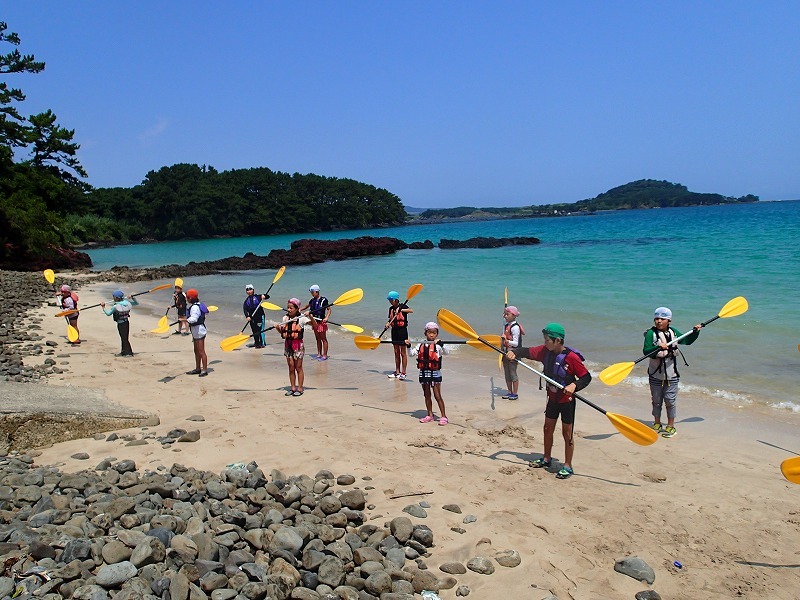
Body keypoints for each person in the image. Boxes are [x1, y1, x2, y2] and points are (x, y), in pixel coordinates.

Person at [507, 322, 592, 480]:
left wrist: (574, 385)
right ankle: (546, 458)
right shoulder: (545, 351)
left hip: (567, 401)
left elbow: (586, 377)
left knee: (567, 434)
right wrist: (514, 352)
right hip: (552, 399)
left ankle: (567, 465)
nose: (545, 342)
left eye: (547, 340)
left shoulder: (571, 358)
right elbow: (526, 351)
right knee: (547, 429)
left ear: (557, 341)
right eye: (545, 339)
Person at [644, 307, 703, 438]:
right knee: (656, 400)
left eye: (662, 319)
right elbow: (646, 351)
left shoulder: (673, 332)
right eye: (656, 318)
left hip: (672, 375)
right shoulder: (650, 334)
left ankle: (671, 426)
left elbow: (687, 341)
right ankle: (657, 423)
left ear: (669, 320)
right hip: (655, 374)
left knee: (670, 401)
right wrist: (658, 347)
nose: (659, 321)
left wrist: (695, 332)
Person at [410, 322, 449, 425]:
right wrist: (409, 346)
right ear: (425, 333)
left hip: (435, 373)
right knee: (427, 395)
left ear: (437, 334)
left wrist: (442, 345)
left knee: (437, 395)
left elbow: (446, 353)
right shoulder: (420, 344)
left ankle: (444, 416)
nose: (431, 335)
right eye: (429, 333)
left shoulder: (437, 346)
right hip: (423, 373)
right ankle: (430, 415)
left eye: (434, 333)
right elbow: (411, 354)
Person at [276, 298, 312, 396]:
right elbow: (283, 333)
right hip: (288, 344)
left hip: (298, 345)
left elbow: (315, 326)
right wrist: (278, 328)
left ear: (297, 309)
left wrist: (311, 316)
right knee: (291, 367)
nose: (289, 309)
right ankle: (292, 388)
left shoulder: (302, 318)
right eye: (288, 307)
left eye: (291, 308)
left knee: (298, 367)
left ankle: (300, 388)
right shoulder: (285, 318)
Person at [101, 290, 138, 356]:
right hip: (126, 322)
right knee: (124, 337)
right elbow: (136, 303)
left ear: (116, 298)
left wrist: (103, 307)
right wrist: (133, 298)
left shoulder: (116, 306)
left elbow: (108, 313)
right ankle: (123, 351)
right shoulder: (126, 303)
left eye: (114, 297)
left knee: (124, 338)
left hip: (121, 324)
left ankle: (129, 353)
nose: (113, 298)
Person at [386, 291, 413, 380]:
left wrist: (401, 310)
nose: (390, 301)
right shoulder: (390, 309)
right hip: (394, 331)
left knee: (402, 352)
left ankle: (403, 372)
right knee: (396, 352)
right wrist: (387, 324)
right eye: (389, 300)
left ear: (395, 299)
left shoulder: (402, 306)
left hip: (402, 331)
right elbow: (389, 319)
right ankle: (397, 371)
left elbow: (411, 310)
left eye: (391, 299)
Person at [500, 306, 524, 400]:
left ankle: (515, 393)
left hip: (514, 354)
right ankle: (509, 392)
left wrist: (506, 341)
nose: (505, 316)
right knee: (507, 374)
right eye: (505, 314)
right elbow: (504, 319)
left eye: (507, 314)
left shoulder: (515, 328)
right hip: (506, 353)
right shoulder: (507, 325)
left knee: (513, 374)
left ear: (514, 316)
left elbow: (516, 343)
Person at [301, 284, 331, 360]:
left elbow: (329, 309)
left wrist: (326, 317)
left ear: (317, 292)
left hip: (321, 322)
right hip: (314, 322)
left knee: (323, 339)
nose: (312, 294)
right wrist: (299, 310)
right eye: (311, 292)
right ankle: (319, 353)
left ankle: (325, 354)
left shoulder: (324, 300)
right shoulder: (312, 300)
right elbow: (306, 306)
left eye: (312, 292)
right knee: (317, 339)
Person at [185, 288, 208, 377]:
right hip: (196, 330)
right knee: (196, 350)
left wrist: (185, 319)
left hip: (199, 330)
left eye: (187, 297)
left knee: (201, 351)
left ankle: (204, 370)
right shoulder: (197, 305)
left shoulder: (195, 307)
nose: (186, 299)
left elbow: (194, 319)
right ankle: (198, 368)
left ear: (190, 298)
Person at [243, 284, 267, 349]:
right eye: (247, 290)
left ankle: (262, 343)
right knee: (254, 330)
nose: (249, 291)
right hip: (252, 318)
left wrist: (264, 296)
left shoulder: (258, 297)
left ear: (253, 290)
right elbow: (245, 310)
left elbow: (267, 296)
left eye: (250, 289)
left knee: (260, 330)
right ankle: (256, 343)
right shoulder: (246, 301)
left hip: (260, 316)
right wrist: (247, 316)